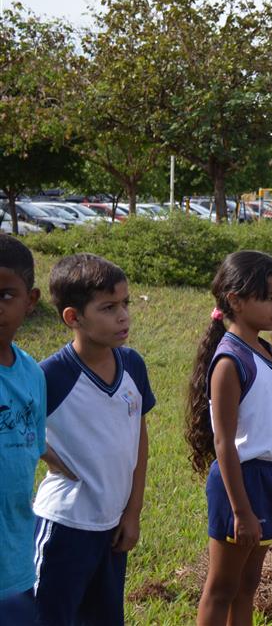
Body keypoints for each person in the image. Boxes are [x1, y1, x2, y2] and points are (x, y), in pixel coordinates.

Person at [33, 254, 155, 626]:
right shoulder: (49, 376)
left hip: (112, 527)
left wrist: (132, 512)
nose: (123, 316)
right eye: (108, 308)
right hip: (65, 526)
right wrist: (46, 453)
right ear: (73, 317)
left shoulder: (132, 365)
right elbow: (14, 429)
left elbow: (139, 440)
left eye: (125, 304)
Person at [185, 251, 272, 626]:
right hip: (241, 483)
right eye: (269, 297)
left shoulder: (266, 351)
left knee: (248, 583)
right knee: (223, 587)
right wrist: (240, 510)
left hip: (270, 479)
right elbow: (224, 443)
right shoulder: (230, 361)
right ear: (235, 300)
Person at [0, 235, 46, 624]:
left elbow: (34, 449)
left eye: (5, 295)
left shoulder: (32, 374)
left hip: (15, 563)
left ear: (30, 300)